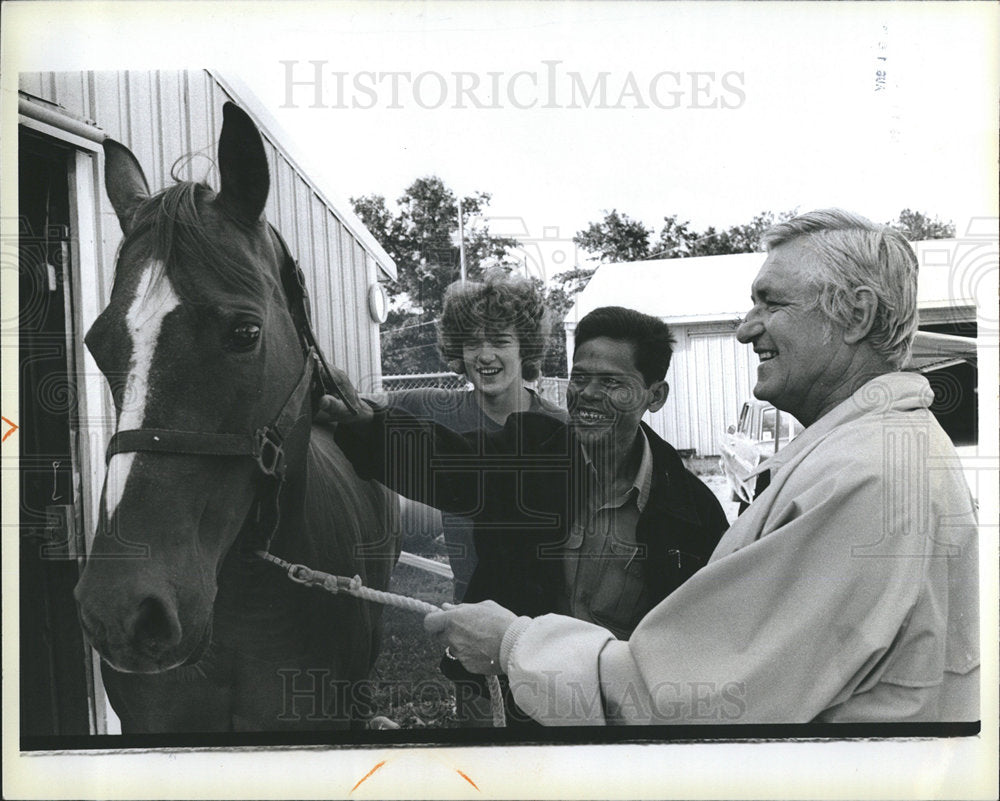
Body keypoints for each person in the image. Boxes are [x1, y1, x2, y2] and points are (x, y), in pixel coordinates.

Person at [414, 209, 979, 725]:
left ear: (855, 315)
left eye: (772, 302)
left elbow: (683, 697)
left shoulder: (864, 476)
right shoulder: (882, 451)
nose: (746, 328)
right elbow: (441, 463)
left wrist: (512, 644)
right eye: (580, 379)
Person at [322, 305, 729, 723]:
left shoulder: (694, 514)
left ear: (654, 396)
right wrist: (362, 423)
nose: (588, 393)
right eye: (581, 378)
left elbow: (701, 640)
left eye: (611, 382)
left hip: (611, 715)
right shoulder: (529, 451)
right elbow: (444, 462)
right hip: (504, 700)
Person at [378, 271, 565, 602]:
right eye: (472, 342)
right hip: (469, 608)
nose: (485, 354)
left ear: (526, 347)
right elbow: (354, 407)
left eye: (500, 340)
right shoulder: (434, 408)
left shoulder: (559, 427)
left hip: (545, 618)